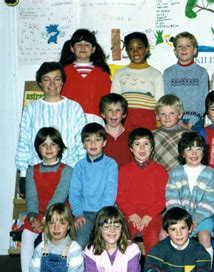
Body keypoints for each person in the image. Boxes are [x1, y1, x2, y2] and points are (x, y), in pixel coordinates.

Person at [15, 62, 87, 192]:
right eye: (46, 80)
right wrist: (24, 175)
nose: (52, 84)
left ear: (62, 82)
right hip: (37, 173)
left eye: (57, 79)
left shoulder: (74, 107)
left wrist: (80, 174)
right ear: (40, 83)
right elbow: (23, 142)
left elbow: (82, 143)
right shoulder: (31, 108)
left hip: (68, 171)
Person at [20, 128, 73, 272]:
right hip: (37, 215)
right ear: (38, 148)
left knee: (48, 236)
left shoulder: (67, 170)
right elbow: (31, 198)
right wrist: (32, 217)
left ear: (59, 147)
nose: (49, 149)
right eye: (44, 145)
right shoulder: (32, 170)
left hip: (58, 215)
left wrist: (46, 220)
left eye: (53, 144)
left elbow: (58, 198)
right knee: (27, 234)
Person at [166, 132, 214, 263]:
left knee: (204, 236)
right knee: (163, 234)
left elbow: (209, 201)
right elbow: (172, 199)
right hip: (178, 218)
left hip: (203, 217)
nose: (194, 153)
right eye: (189, 149)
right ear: (182, 153)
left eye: (198, 148)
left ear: (203, 152)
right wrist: (181, 221)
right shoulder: (176, 172)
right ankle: (170, 268)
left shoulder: (210, 173)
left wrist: (195, 221)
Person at [116, 128, 168, 254]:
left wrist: (149, 215)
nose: (142, 148)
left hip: (153, 215)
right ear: (131, 149)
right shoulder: (123, 171)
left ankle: (152, 269)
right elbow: (120, 197)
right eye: (137, 144)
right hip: (130, 214)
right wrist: (132, 214)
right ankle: (123, 270)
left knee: (153, 238)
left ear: (152, 148)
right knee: (121, 237)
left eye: (146, 144)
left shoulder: (160, 171)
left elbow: (162, 199)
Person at [69, 123, 118, 249]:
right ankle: (79, 268)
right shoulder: (79, 166)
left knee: (106, 243)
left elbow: (110, 192)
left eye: (97, 140)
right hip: (84, 214)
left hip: (105, 212)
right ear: (83, 144)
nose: (93, 144)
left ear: (104, 142)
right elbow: (74, 194)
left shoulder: (110, 164)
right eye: (88, 140)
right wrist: (78, 214)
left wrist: (101, 216)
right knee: (80, 242)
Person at [111, 32, 163, 131]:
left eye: (139, 48)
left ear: (146, 49)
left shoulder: (156, 74)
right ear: (126, 51)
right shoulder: (119, 74)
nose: (135, 52)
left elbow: (160, 102)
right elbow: (114, 101)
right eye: (131, 49)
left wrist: (158, 122)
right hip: (125, 120)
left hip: (148, 119)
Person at [59, 28, 111, 124]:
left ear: (93, 49)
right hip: (68, 119)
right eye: (79, 44)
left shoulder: (102, 73)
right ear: (72, 48)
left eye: (87, 44)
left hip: (95, 121)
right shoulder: (63, 72)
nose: (83, 48)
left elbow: (108, 101)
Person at [163, 31, 209, 130]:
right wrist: (179, 121)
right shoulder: (168, 73)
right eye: (180, 46)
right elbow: (168, 100)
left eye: (188, 46)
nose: (183, 49)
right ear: (175, 52)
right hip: (173, 120)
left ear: (195, 51)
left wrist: (191, 122)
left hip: (196, 121)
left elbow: (203, 101)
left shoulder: (202, 72)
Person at [152, 94, 187, 171]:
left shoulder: (188, 134)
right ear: (157, 116)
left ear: (180, 114)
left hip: (182, 177)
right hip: (159, 177)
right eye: (163, 114)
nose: (167, 117)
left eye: (172, 113)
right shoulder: (152, 135)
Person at [101, 93, 133, 167]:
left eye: (118, 110)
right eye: (110, 110)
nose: (114, 114)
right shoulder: (98, 137)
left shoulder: (131, 137)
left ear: (124, 114)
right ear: (103, 114)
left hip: (126, 178)